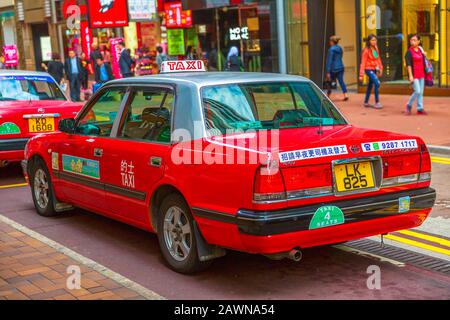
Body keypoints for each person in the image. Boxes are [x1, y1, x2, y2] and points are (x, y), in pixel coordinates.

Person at [405, 34, 428, 115]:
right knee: (417, 91)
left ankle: (420, 108)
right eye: (411, 40)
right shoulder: (409, 52)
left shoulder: (421, 50)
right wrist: (410, 76)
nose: (412, 42)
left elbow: (424, 62)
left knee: (421, 92)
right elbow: (408, 65)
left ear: (418, 41)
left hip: (422, 74)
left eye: (414, 40)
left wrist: (425, 55)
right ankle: (408, 105)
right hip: (414, 75)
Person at [359, 34, 384, 109]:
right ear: (369, 41)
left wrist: (380, 68)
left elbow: (377, 59)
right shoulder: (366, 50)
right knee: (377, 83)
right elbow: (363, 62)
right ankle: (377, 102)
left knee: (370, 85)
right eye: (372, 40)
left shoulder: (375, 48)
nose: (374, 41)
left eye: (375, 40)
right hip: (368, 69)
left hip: (374, 69)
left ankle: (366, 102)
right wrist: (361, 74)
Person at [326, 35, 348, 101]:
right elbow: (340, 56)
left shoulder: (331, 49)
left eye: (330, 41)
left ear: (332, 42)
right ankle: (345, 94)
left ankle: (328, 96)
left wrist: (328, 71)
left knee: (329, 81)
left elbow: (330, 60)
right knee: (341, 81)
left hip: (333, 68)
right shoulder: (340, 48)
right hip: (341, 67)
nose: (329, 42)